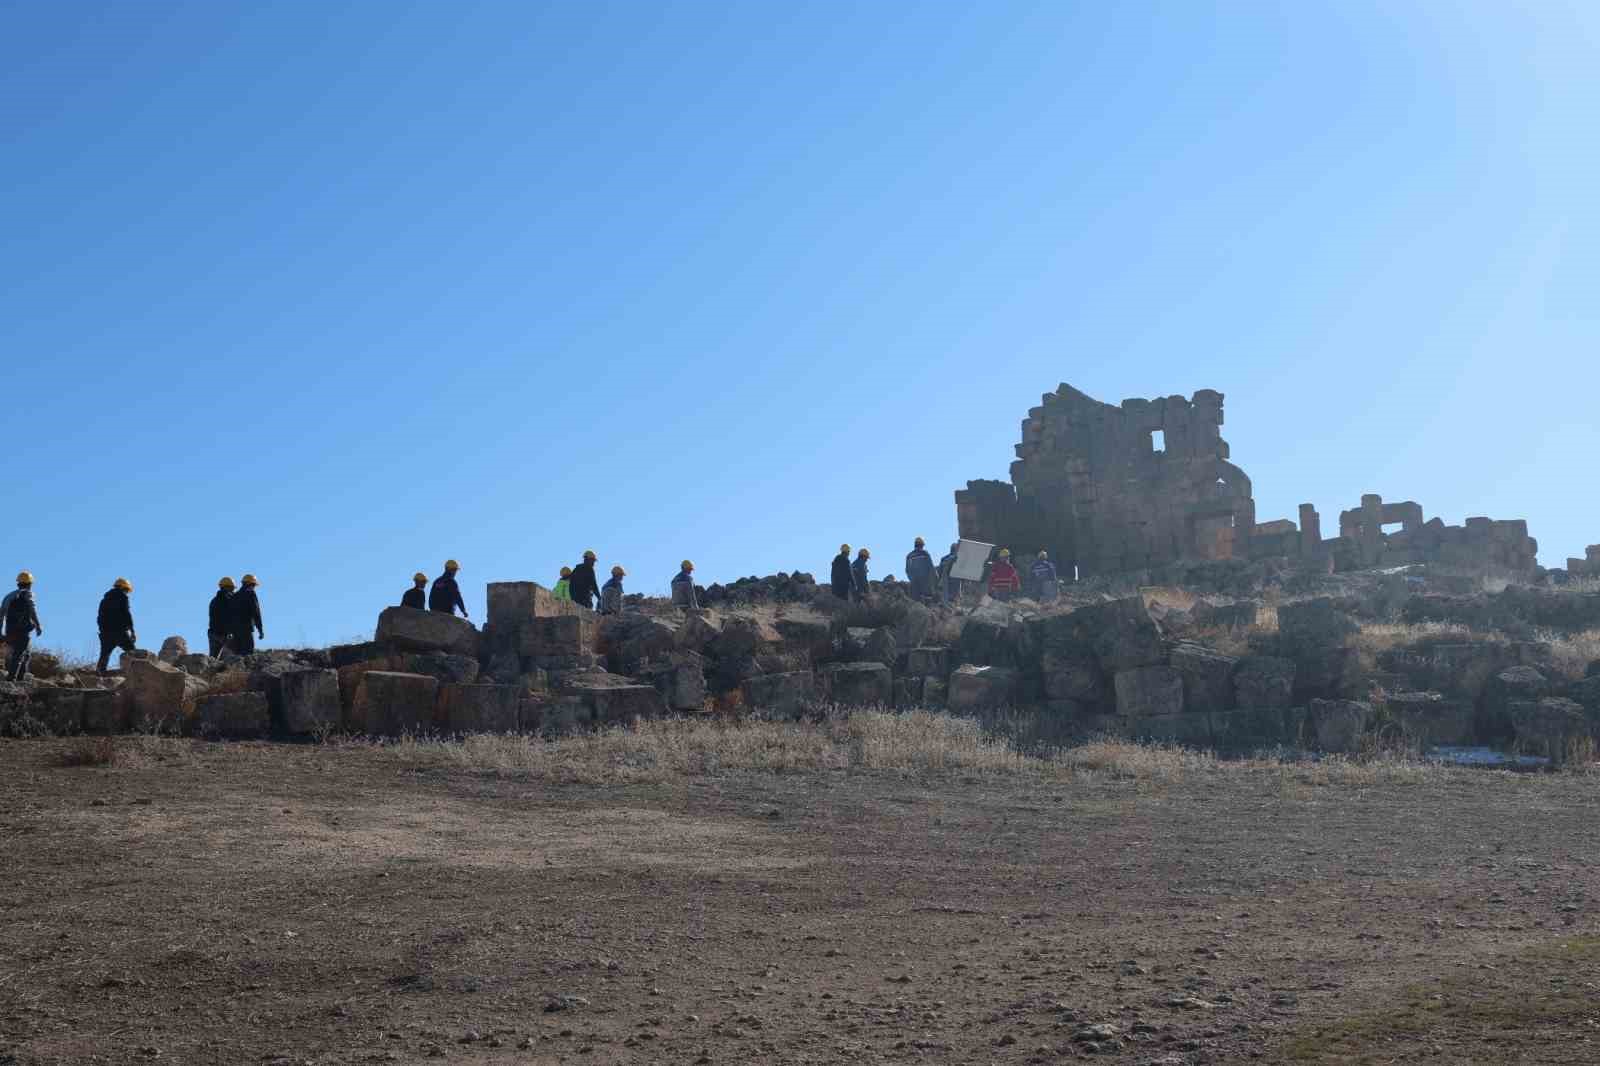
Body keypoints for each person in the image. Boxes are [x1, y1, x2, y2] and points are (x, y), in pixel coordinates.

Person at [2, 571, 42, 682]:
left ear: (18, 583)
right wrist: (38, 625)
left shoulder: (8, 596)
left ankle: (17, 678)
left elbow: (1, 614)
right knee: (21, 654)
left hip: (10, 630)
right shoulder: (28, 594)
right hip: (23, 630)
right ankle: (13, 679)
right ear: (30, 584)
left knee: (17, 653)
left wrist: (1, 631)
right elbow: (32, 609)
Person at [95, 577, 137, 674]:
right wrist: (132, 630)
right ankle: (135, 673)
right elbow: (127, 614)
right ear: (123, 588)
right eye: (126, 590)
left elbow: (99, 617)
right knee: (132, 652)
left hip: (106, 632)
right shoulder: (122, 597)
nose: (127, 592)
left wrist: (102, 631)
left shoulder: (104, 600)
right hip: (120, 632)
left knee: (104, 655)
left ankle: (99, 674)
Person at [229, 573, 264, 655]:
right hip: (246, 629)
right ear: (250, 584)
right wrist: (260, 629)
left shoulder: (235, 596)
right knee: (248, 653)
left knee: (238, 654)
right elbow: (256, 612)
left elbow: (230, 614)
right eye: (254, 585)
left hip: (235, 631)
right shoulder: (251, 594)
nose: (254, 587)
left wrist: (230, 630)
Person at [208, 577, 235, 656]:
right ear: (228, 587)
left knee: (213, 658)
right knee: (235, 655)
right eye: (232, 588)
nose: (233, 591)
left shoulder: (213, 601)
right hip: (224, 634)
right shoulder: (229, 600)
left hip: (213, 632)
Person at [905, 537, 936, 601]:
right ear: (922, 545)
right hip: (925, 583)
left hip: (914, 583)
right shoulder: (925, 554)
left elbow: (907, 570)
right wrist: (935, 578)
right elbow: (931, 567)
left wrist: (912, 579)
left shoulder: (909, 556)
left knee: (915, 601)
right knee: (927, 600)